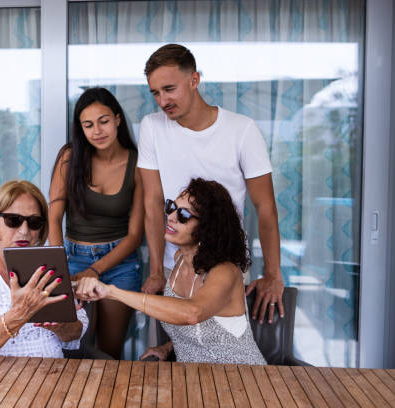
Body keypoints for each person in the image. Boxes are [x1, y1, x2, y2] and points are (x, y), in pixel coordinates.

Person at [138, 43, 284, 324]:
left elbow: (265, 207)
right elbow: (152, 203)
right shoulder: (152, 127)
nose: (162, 100)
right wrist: (156, 270)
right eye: (155, 92)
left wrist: (273, 274)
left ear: (194, 80)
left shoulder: (242, 130)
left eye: (169, 89)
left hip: (226, 268)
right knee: (172, 359)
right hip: (175, 266)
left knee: (224, 360)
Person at [76, 178, 266, 365]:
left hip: (241, 379)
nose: (171, 217)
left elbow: (192, 313)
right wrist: (167, 347)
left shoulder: (225, 271)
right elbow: (197, 330)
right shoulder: (179, 260)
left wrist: (111, 292)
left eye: (183, 215)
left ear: (207, 227)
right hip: (196, 381)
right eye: (171, 207)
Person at [48, 87, 144, 359]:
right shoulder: (70, 156)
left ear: (117, 119)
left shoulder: (136, 162)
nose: (97, 131)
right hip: (73, 259)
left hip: (119, 264)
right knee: (70, 346)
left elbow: (135, 235)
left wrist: (96, 269)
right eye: (88, 125)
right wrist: (59, 268)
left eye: (103, 121)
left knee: (109, 353)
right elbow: (54, 217)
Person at [0, 180, 88, 357]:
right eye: (13, 220)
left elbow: (76, 332)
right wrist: (20, 313)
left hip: (51, 376)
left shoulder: (50, 264)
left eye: (34, 222)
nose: (24, 231)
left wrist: (62, 326)